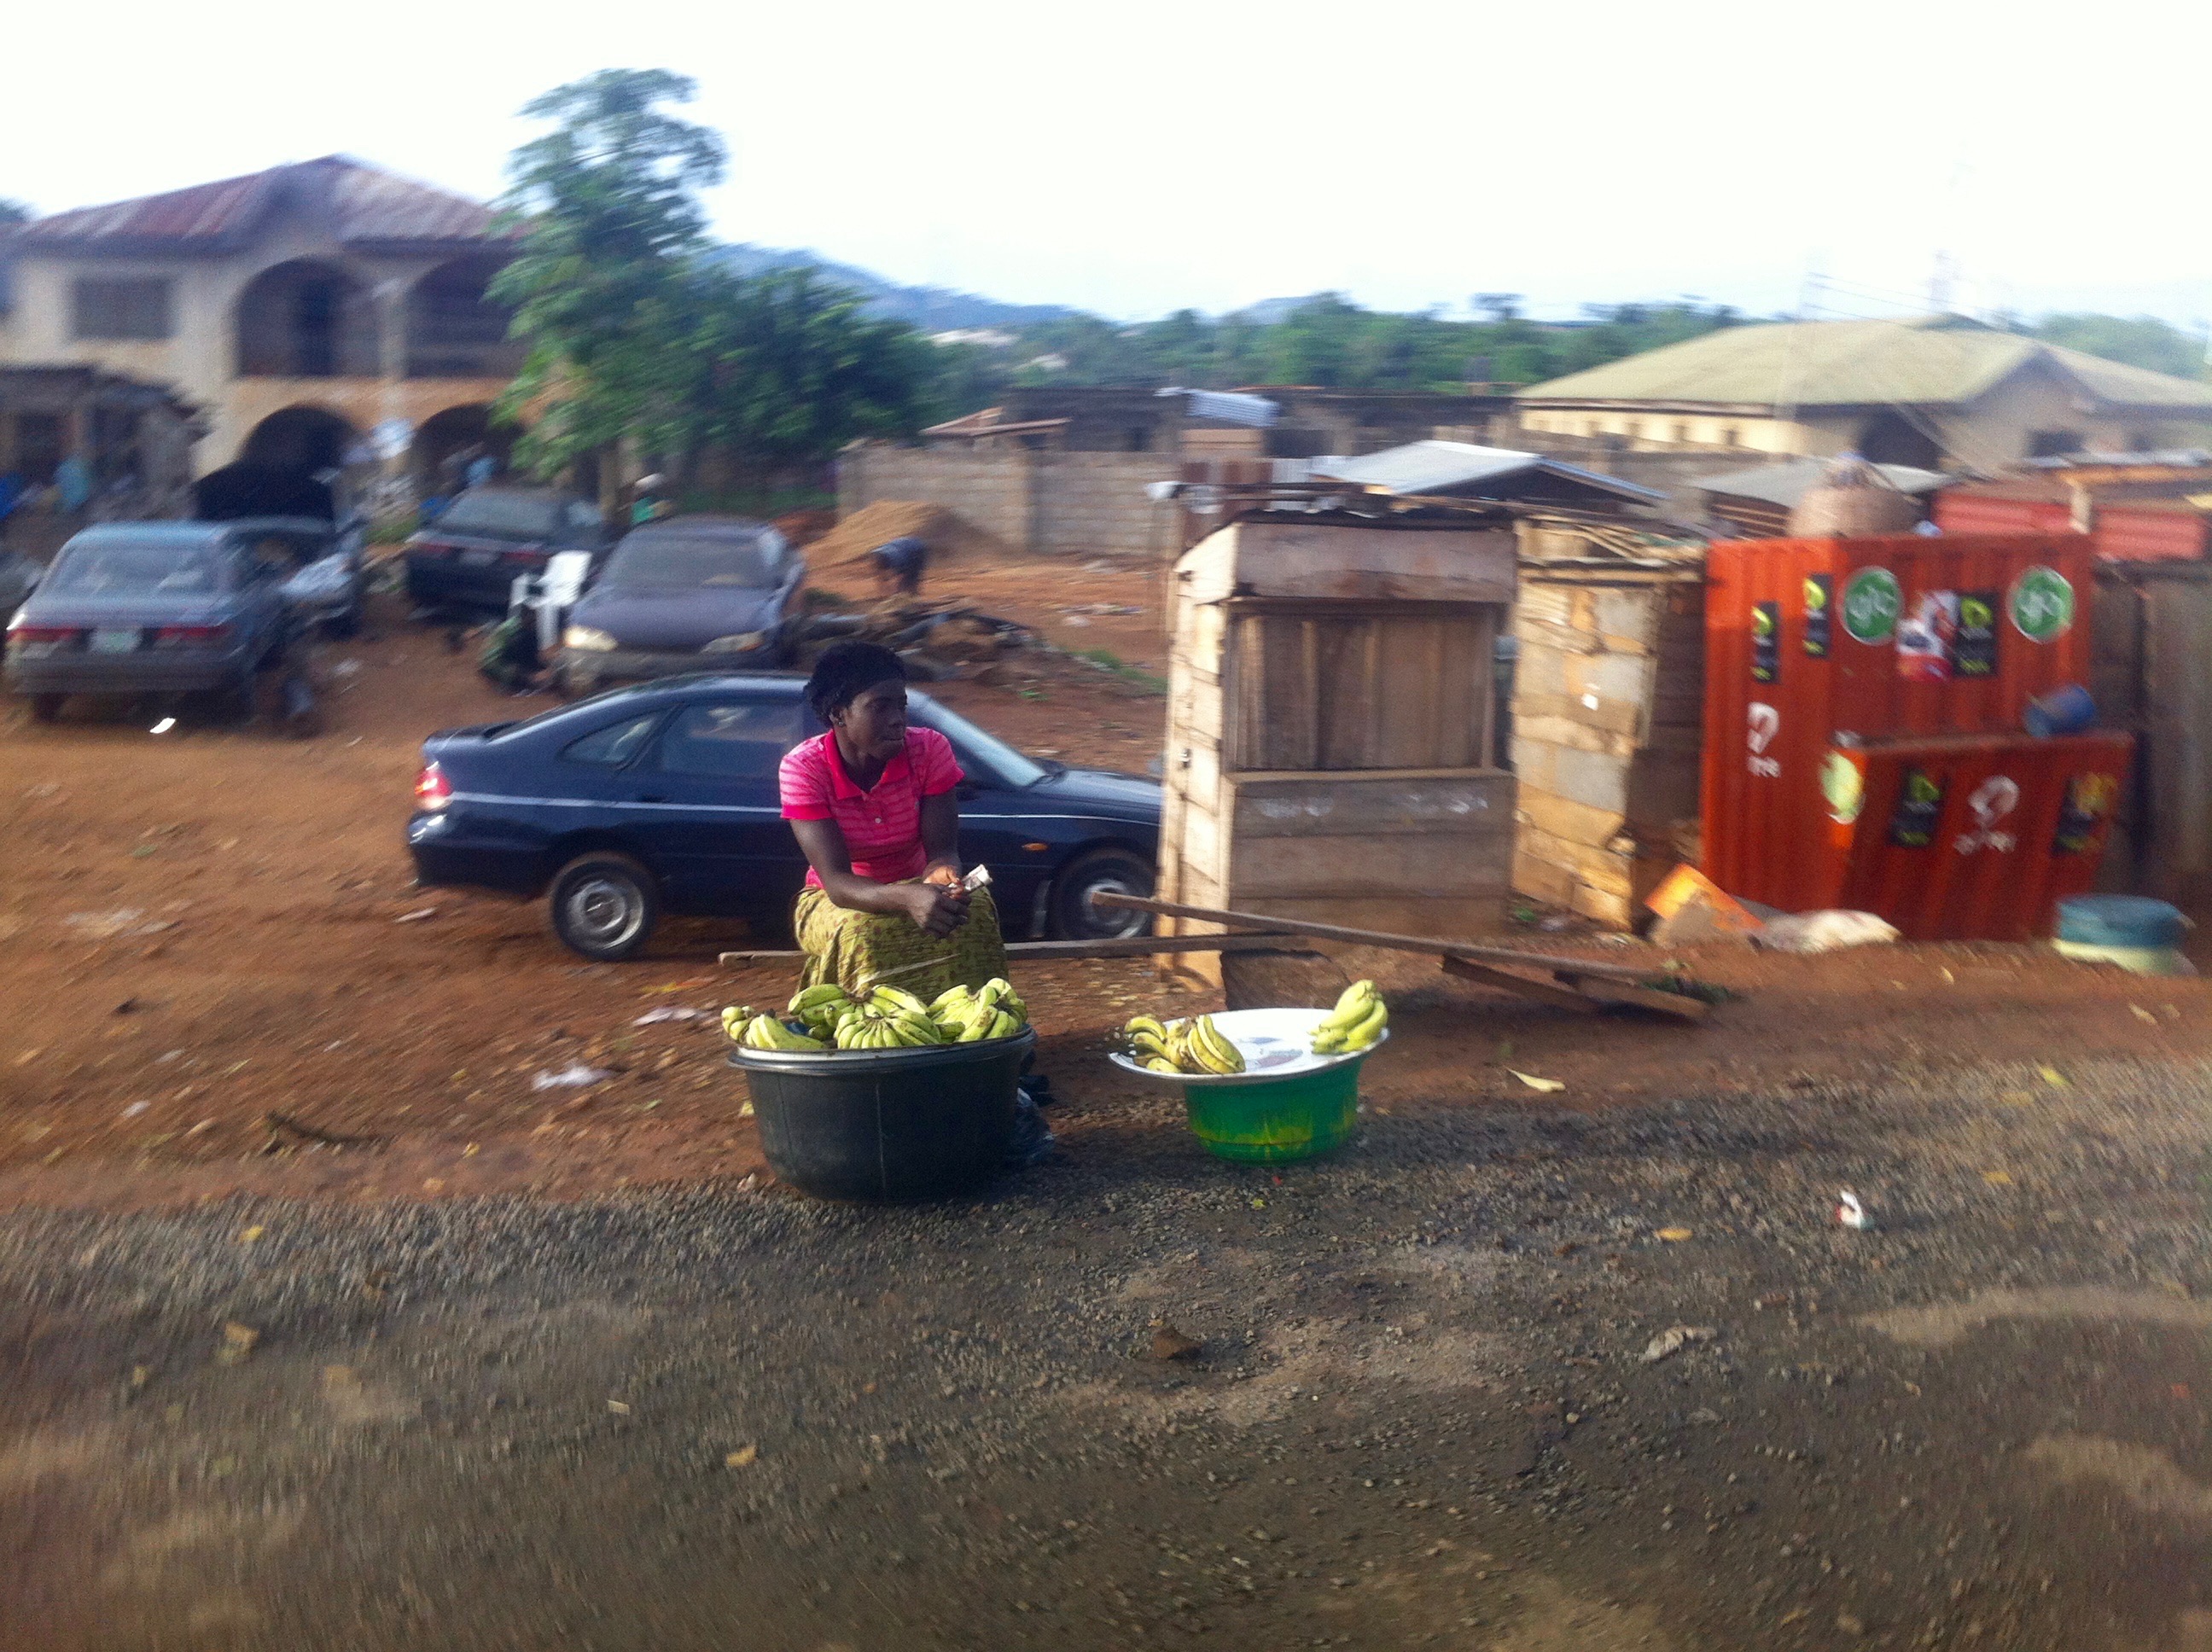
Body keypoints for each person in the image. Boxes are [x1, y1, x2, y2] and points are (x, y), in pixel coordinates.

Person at [779, 641, 1007, 999]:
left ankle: (973, 1022)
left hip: (918, 885)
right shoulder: (804, 768)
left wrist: (941, 876)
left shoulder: (929, 750)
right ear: (839, 714)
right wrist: (906, 898)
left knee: (974, 911)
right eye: (879, 707)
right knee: (860, 931)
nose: (898, 719)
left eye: (901, 705)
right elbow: (837, 883)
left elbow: (943, 851)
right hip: (837, 898)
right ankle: (863, 1037)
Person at [869, 534, 928, 598]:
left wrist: (895, 594)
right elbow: (881, 578)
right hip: (901, 547)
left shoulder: (898, 560)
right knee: (901, 585)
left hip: (916, 551)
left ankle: (913, 597)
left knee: (910, 578)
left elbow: (900, 578)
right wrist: (882, 594)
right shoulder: (878, 554)